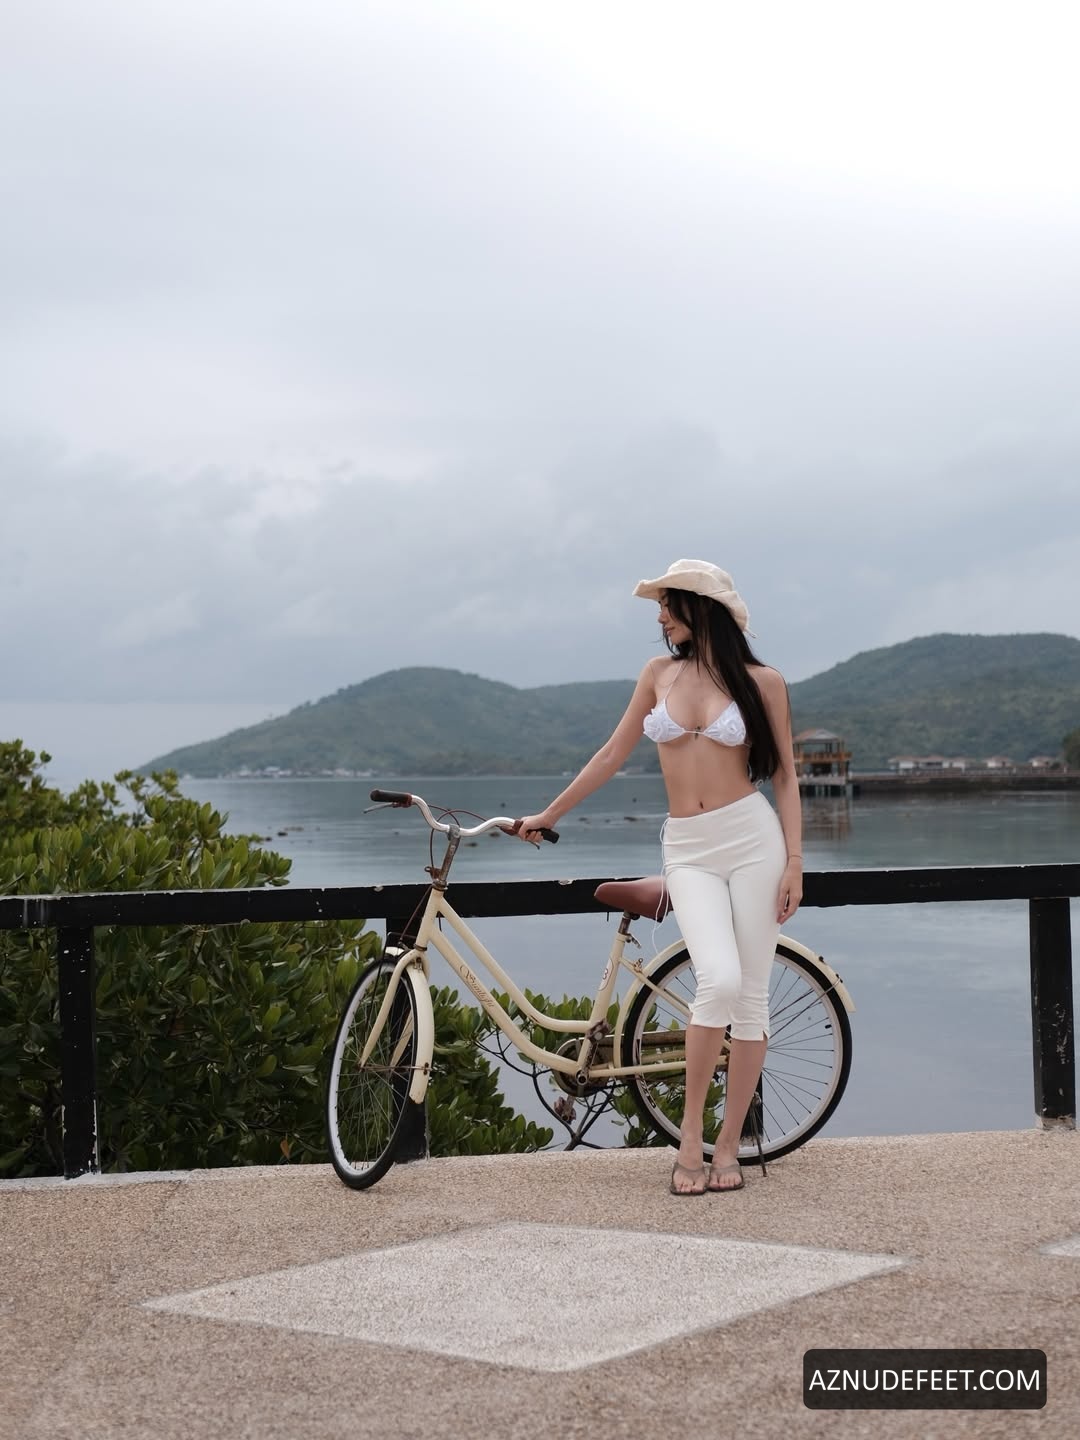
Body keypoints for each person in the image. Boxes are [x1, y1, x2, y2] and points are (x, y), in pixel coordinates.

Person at [518, 559, 802, 1195]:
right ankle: (691, 1136)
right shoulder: (658, 674)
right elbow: (612, 754)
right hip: (689, 848)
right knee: (718, 979)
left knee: (750, 999)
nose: (661, 616)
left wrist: (795, 862)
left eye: (669, 604)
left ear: (702, 608)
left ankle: (728, 1144)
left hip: (754, 841)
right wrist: (549, 814)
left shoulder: (765, 682)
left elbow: (785, 776)